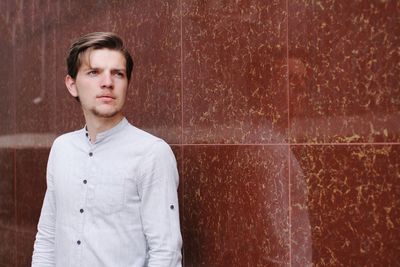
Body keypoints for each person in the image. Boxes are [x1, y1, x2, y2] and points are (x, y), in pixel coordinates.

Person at [32, 32, 182, 266]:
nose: (107, 82)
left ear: (127, 83)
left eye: (118, 74)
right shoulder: (62, 149)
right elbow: (48, 238)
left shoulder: (151, 153)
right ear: (72, 85)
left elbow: (166, 252)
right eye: (94, 72)